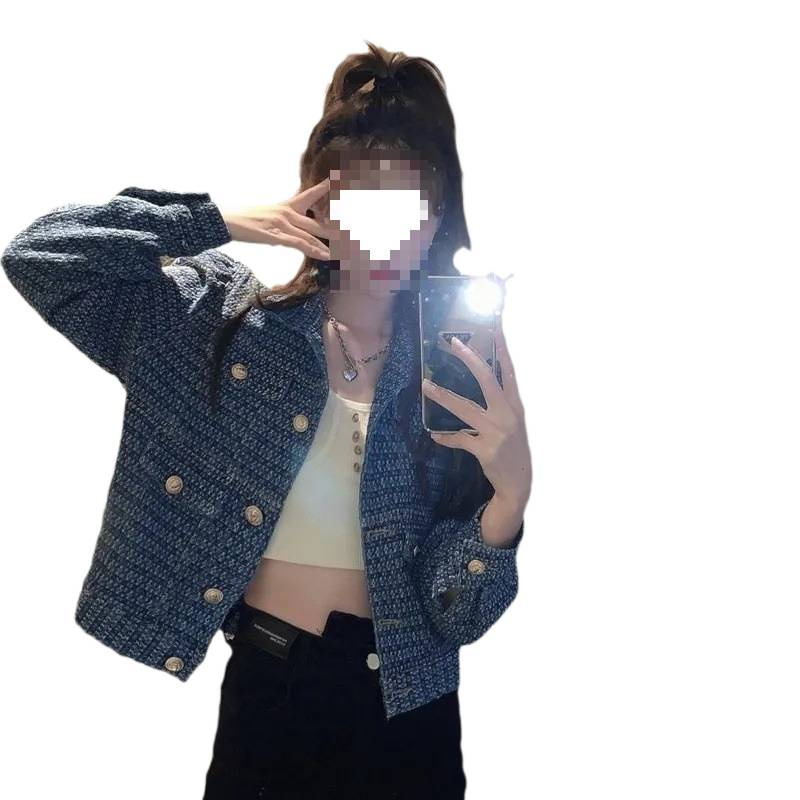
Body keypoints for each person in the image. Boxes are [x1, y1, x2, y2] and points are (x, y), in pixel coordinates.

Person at [1, 41, 531, 799]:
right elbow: (40, 257)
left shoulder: (455, 369)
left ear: (438, 211)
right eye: (361, 196)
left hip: (409, 716)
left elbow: (459, 616)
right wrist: (215, 220)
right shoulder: (220, 322)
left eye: (410, 200)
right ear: (318, 197)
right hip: (269, 695)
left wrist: (509, 503)